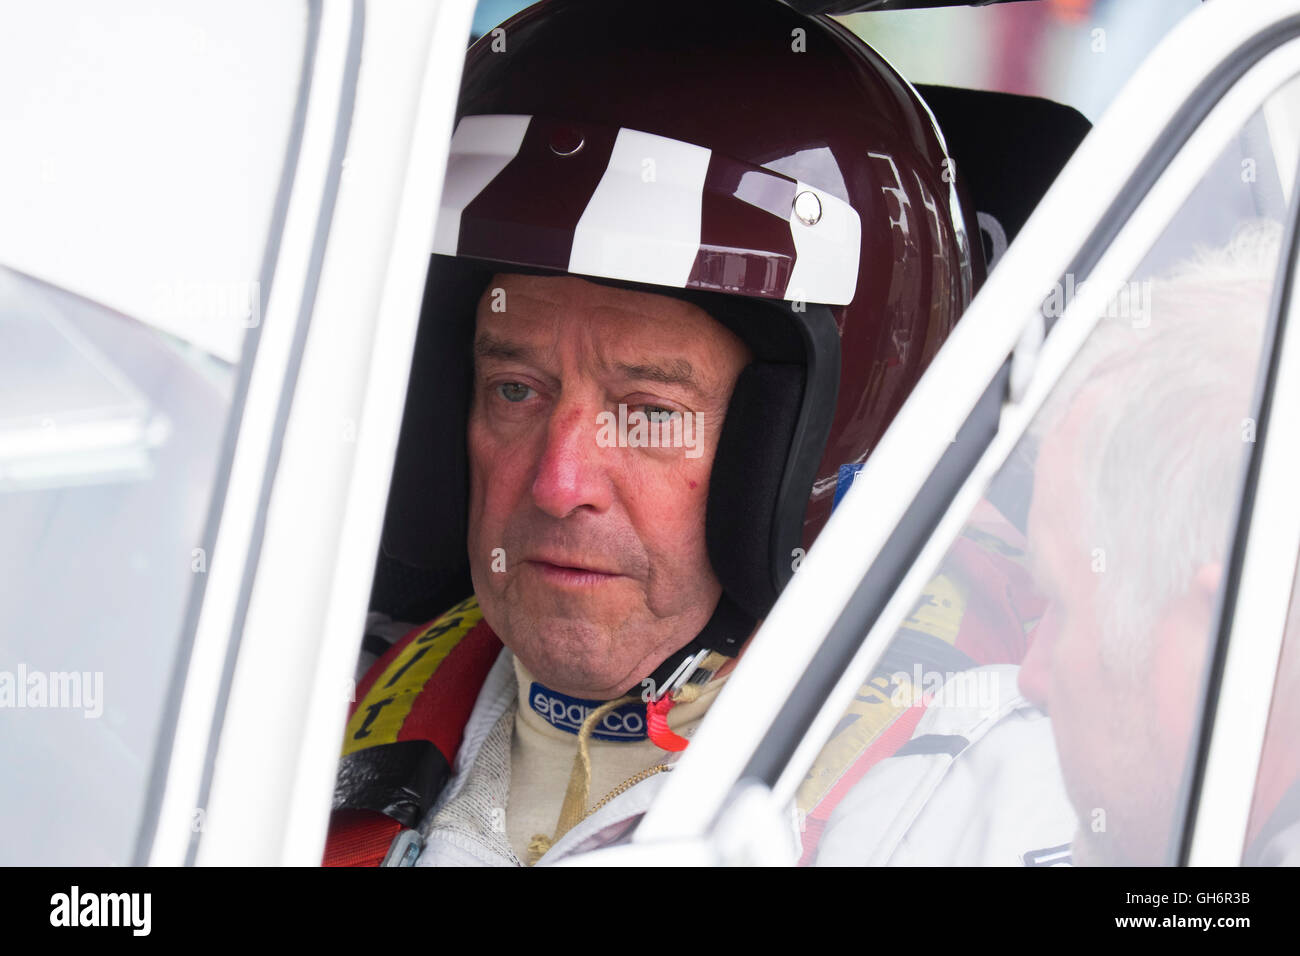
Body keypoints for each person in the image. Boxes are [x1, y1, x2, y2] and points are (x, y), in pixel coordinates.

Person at [324, 0, 983, 866]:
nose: (561, 484)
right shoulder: (316, 687)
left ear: (802, 448)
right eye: (516, 389)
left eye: (649, 412)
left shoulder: (954, 800)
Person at [815, 220, 1297, 866]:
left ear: (1222, 646)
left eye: (1063, 607)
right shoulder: (960, 786)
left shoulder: (951, 802)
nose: (1031, 677)